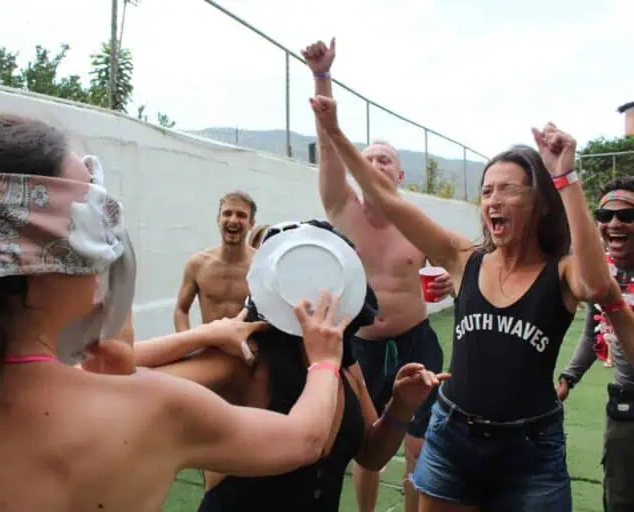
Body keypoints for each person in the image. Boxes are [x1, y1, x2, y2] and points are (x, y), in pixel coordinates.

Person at [0, 114, 359, 511]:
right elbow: (304, 439)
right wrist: (322, 359)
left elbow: (71, 369)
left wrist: (200, 336)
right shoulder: (151, 409)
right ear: (43, 256)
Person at [311, 94, 617, 510]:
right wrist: (333, 133)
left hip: (531, 449)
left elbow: (598, 286)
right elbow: (388, 200)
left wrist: (566, 178)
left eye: (509, 189)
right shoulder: (461, 258)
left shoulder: (561, 272)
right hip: (453, 438)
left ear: (540, 202)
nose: (493, 199)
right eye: (487, 190)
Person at [136, 219, 449, 511]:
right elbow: (118, 379)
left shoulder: (342, 359)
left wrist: (401, 406)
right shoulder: (245, 361)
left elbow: (371, 454)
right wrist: (204, 333)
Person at [302, 38, 453, 512]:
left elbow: (458, 263)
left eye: (385, 158)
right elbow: (329, 151)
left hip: (417, 341)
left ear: (401, 174)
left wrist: (450, 281)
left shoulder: (415, 223)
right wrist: (321, 76)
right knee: (364, 448)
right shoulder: (342, 209)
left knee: (418, 447)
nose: (375, 163)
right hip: (361, 344)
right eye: (367, 158)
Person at [558, 177, 634, 512]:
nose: (614, 223)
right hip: (625, 405)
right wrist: (567, 379)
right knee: (619, 496)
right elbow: (592, 334)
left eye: (626, 216)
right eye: (604, 216)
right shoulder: (603, 271)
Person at [175, 191, 257, 331]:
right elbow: (181, 310)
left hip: (248, 350)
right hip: (209, 349)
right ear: (218, 219)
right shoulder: (197, 264)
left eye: (241, 215)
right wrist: (187, 347)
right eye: (227, 213)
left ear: (251, 224)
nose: (233, 220)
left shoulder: (262, 266)